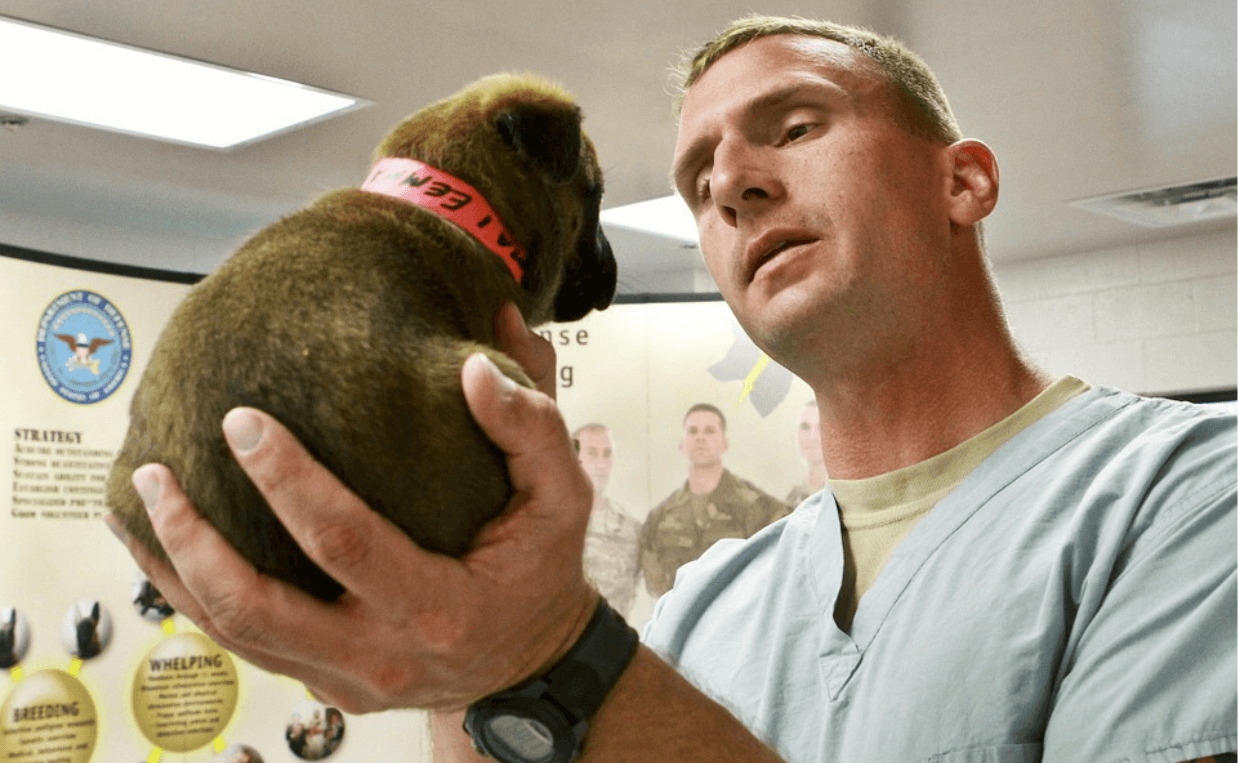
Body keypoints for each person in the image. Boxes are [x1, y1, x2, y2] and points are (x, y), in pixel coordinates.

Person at [104, 14, 1236, 763]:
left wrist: (545, 657)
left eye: (793, 127)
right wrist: (458, 610)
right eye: (696, 181)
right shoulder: (705, 600)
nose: (733, 183)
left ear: (964, 179)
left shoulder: (1187, 500)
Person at [639, 403, 788, 595]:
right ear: (681, 444)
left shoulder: (756, 506)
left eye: (709, 431)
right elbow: (655, 585)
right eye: (692, 431)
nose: (700, 438)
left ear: (725, 444)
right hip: (680, 621)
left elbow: (778, 566)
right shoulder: (658, 518)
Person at [573, 422, 642, 617]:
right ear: (574, 458)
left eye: (607, 454)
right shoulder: (550, 522)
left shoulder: (631, 529)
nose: (601, 464)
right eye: (592, 453)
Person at [783, 399, 827, 506]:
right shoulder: (792, 498)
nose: (812, 437)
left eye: (821, 427)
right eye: (805, 427)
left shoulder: (844, 496)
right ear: (795, 435)